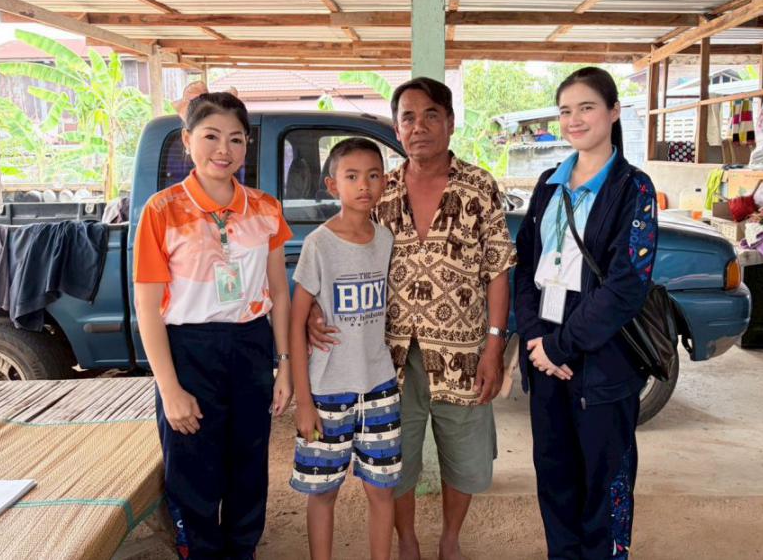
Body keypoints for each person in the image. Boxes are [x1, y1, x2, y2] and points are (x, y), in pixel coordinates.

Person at [309, 77, 516, 560]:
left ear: (450, 122)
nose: (418, 126)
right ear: (397, 127)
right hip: (389, 357)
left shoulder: (479, 186)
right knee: (392, 458)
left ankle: (450, 540)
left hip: (464, 353)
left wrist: (494, 346)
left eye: (430, 116)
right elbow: (341, 252)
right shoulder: (381, 189)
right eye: (408, 117)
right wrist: (314, 307)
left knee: (464, 455)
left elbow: (499, 269)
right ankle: (406, 540)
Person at [133, 91, 293, 559]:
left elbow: (279, 291)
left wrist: (283, 363)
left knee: (248, 467)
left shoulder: (265, 209)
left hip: (251, 346)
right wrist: (170, 389)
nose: (224, 149)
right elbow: (147, 307)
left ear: (247, 146)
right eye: (211, 136)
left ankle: (243, 551)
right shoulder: (161, 211)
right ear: (187, 141)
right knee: (193, 472)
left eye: (236, 139)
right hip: (189, 351)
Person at [514, 67, 658, 560]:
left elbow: (626, 284)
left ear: (614, 112)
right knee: (555, 477)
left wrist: (561, 345)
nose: (574, 119)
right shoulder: (548, 184)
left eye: (586, 107)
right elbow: (525, 265)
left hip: (602, 361)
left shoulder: (633, 189)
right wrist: (536, 340)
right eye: (565, 111)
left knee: (605, 479)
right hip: (545, 354)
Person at [289, 137, 400, 560]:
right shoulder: (319, 244)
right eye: (351, 176)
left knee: (381, 489)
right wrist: (304, 402)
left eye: (373, 175)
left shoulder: (386, 240)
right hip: (327, 392)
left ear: (385, 182)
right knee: (323, 492)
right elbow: (297, 321)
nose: (363, 185)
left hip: (379, 387)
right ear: (332, 185)